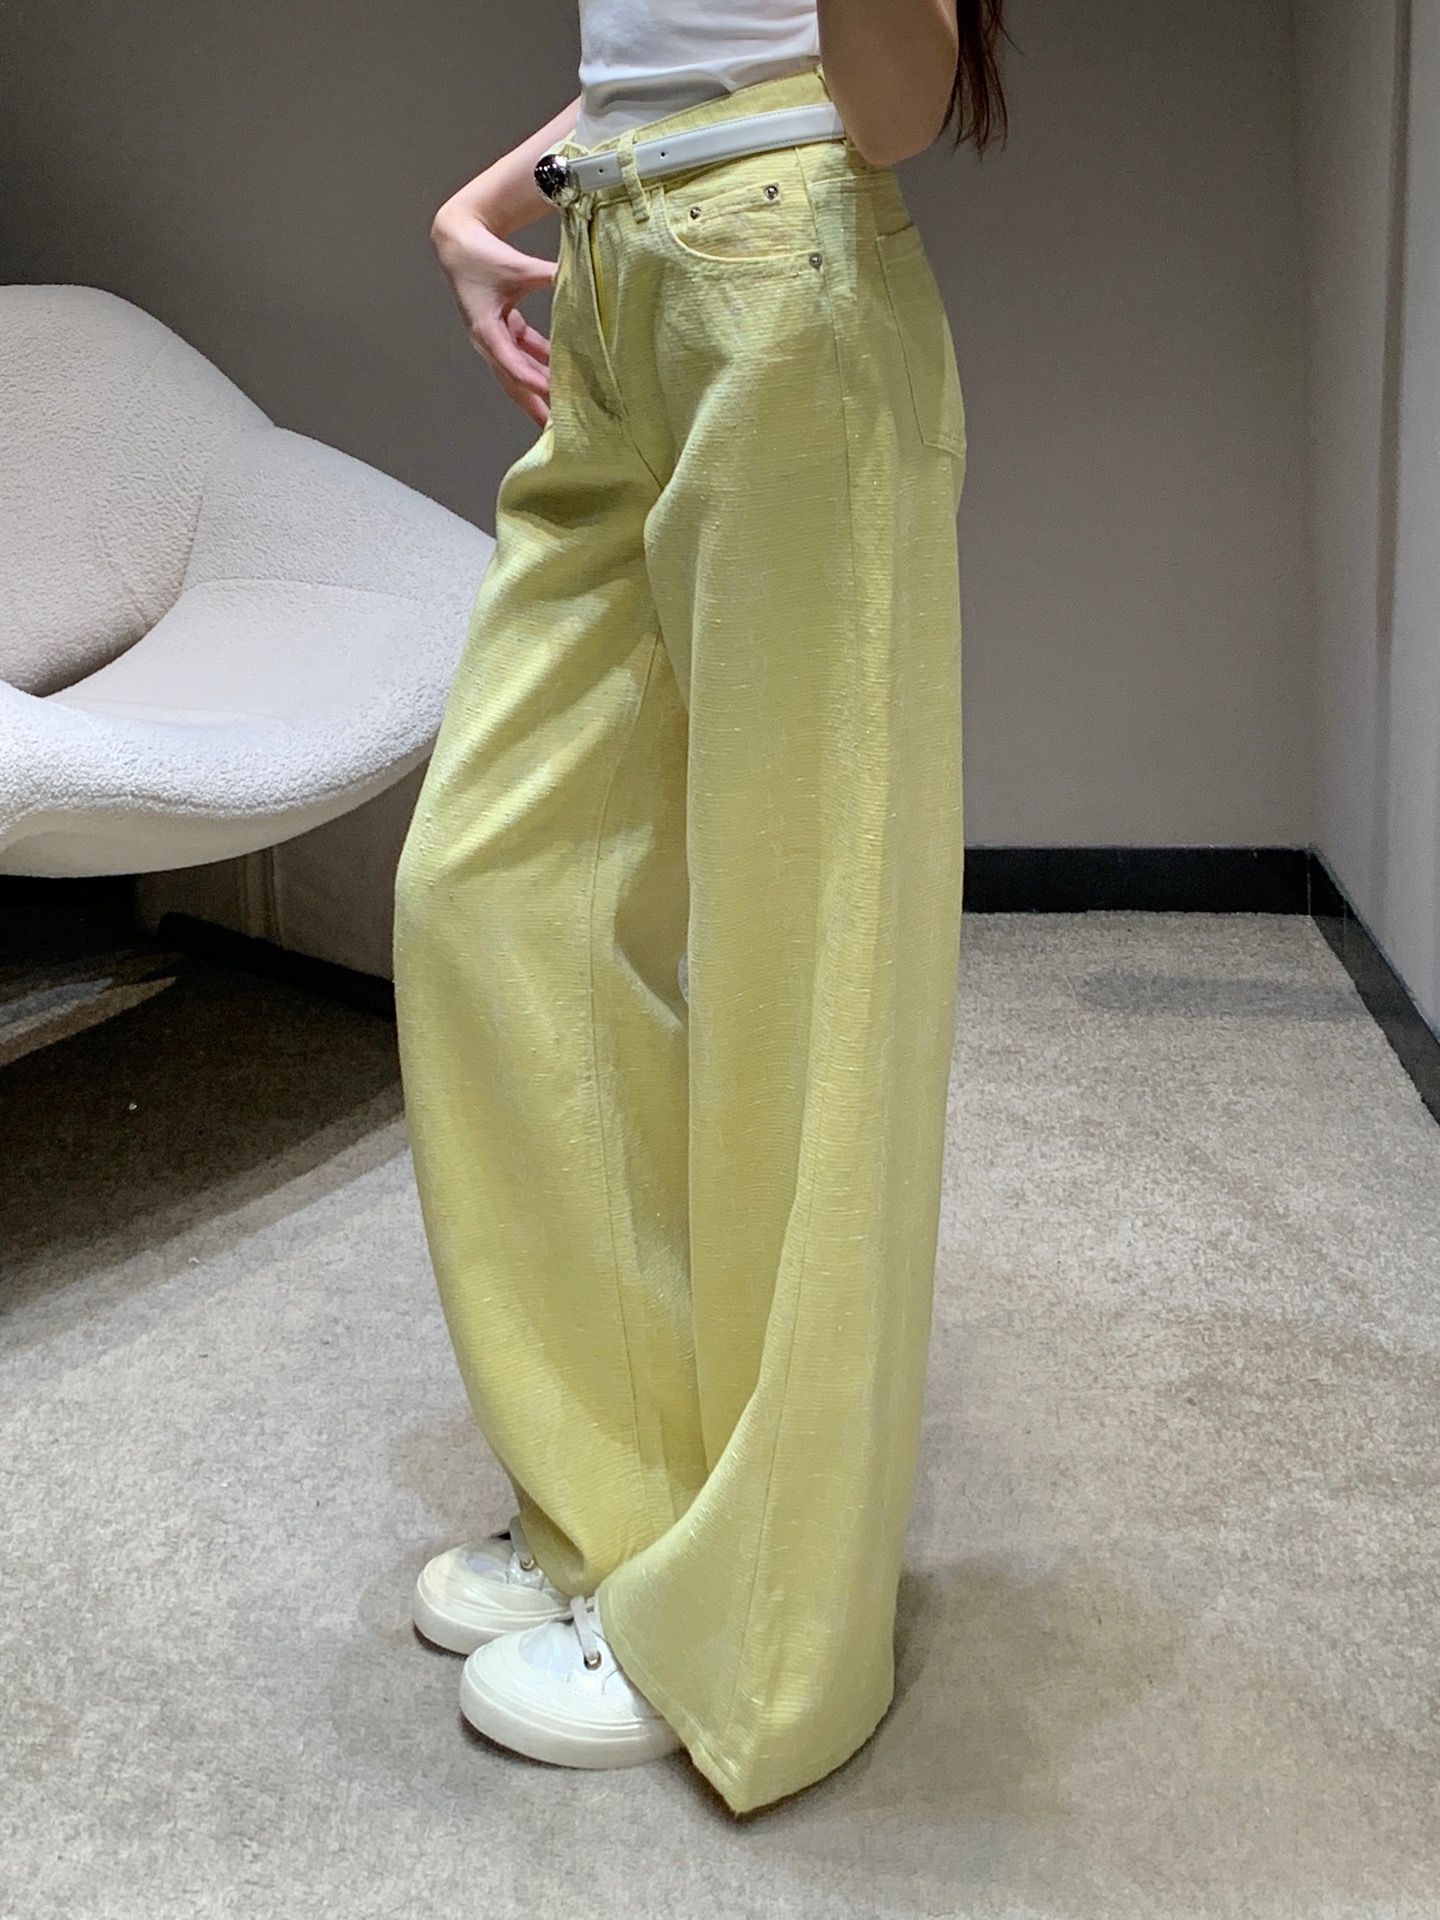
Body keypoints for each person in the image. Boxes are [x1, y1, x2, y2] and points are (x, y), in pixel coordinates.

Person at [390, 0, 1009, 1816]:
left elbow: (897, 102)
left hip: (783, 286)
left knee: (809, 966)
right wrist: (495, 195)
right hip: (624, 267)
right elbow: (691, 30)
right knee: (484, 890)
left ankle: (765, 1638)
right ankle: (622, 1507)